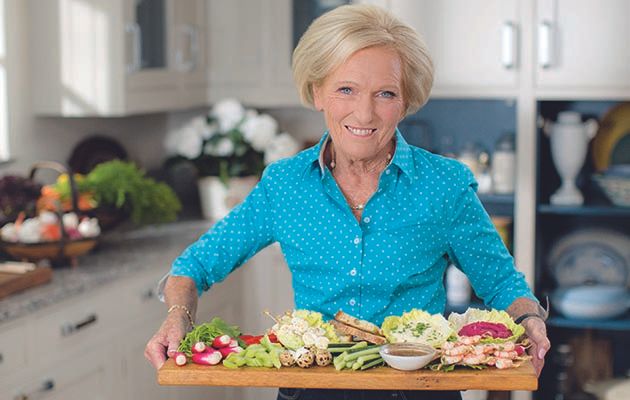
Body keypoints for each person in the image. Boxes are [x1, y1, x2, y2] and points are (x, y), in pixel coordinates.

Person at [145, 4, 550, 399]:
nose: (364, 112)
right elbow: (193, 268)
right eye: (345, 89)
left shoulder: (443, 185)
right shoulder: (285, 185)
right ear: (317, 92)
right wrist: (177, 316)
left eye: (385, 93)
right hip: (312, 388)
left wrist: (530, 318)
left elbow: (500, 283)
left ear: (406, 101)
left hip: (417, 389)